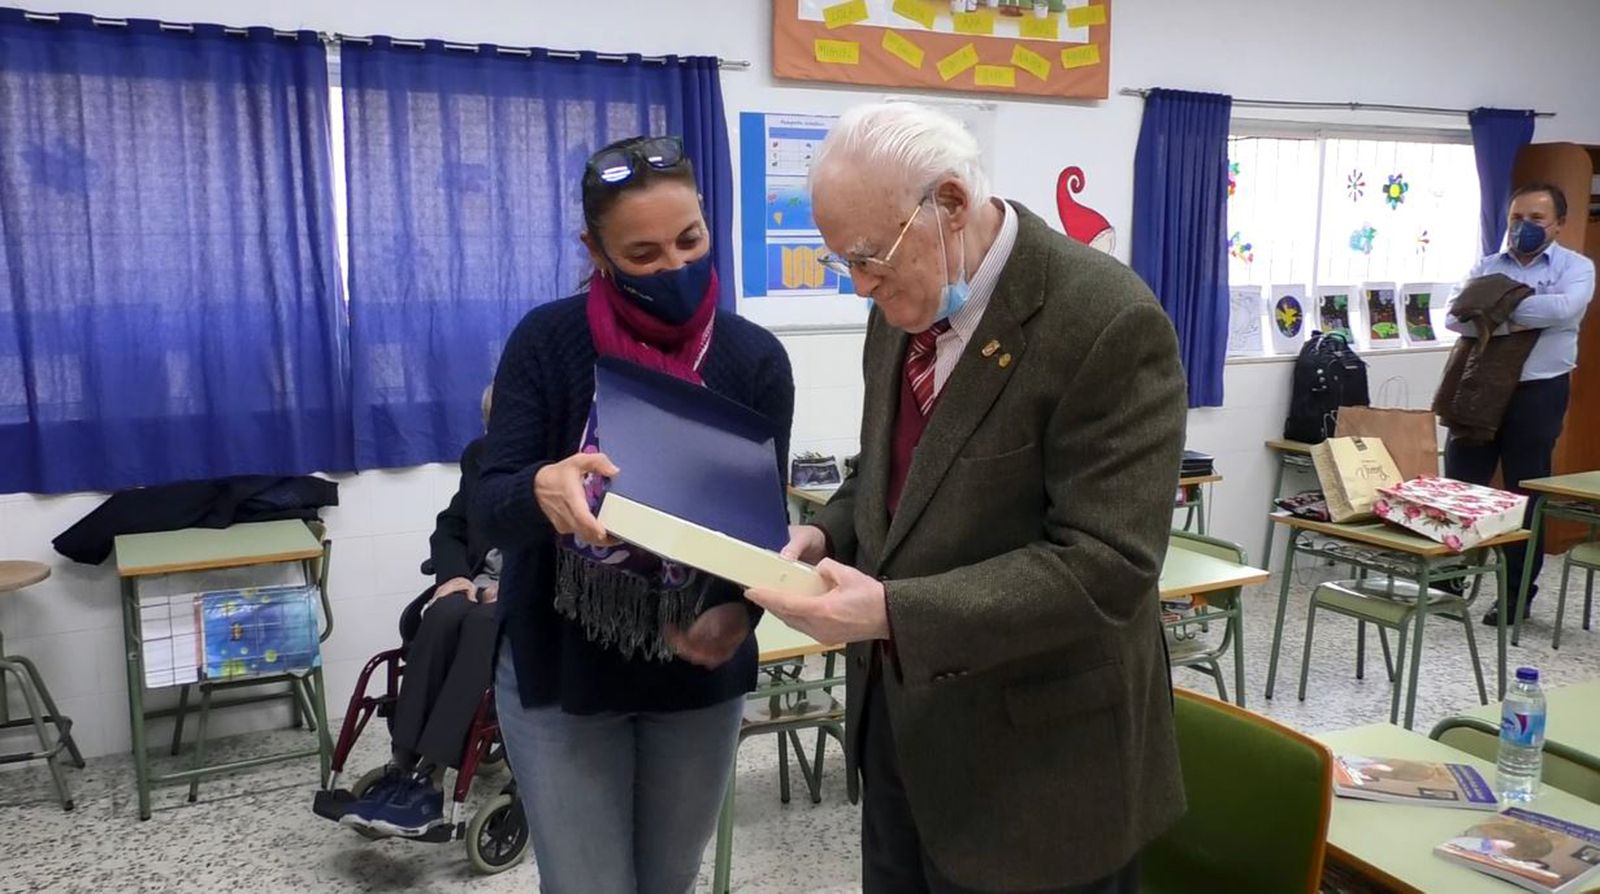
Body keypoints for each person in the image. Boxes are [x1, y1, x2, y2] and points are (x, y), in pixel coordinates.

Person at [747, 102, 1187, 893]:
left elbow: (1108, 564)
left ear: (949, 203)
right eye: (842, 262)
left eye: (868, 259)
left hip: (1041, 776)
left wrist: (891, 612)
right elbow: (890, 476)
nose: (858, 286)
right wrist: (830, 535)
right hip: (903, 743)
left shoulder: (1106, 320)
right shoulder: (902, 301)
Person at [473, 135, 795, 893]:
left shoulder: (752, 361)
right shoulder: (548, 343)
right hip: (563, 675)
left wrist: (738, 618)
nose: (675, 267)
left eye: (690, 240)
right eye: (643, 254)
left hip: (695, 677)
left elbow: (759, 534)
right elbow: (490, 510)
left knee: (667, 882)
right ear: (595, 249)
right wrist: (542, 490)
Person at [342, 385, 502, 837]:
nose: (496, 434)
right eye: (491, 423)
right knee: (441, 614)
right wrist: (453, 576)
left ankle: (430, 773)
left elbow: (568, 550)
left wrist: (512, 586)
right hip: (475, 583)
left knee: (482, 629)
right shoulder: (480, 456)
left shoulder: (559, 471)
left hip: (528, 595)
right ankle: (403, 765)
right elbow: (450, 526)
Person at [1444, 182, 1595, 626]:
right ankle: (1449, 576)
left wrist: (1494, 310)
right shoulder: (1488, 264)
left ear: (1558, 225)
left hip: (1538, 391)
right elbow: (1456, 317)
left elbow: (1566, 310)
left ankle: (1515, 595)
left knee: (1523, 495)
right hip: (1480, 389)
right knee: (1461, 485)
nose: (1523, 227)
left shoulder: (1576, 267)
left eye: (1535, 219)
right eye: (1516, 218)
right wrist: (1525, 312)